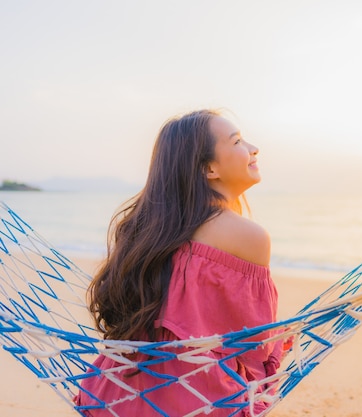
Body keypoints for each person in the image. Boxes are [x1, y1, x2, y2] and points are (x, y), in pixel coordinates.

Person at [74, 110, 285, 416]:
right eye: (238, 141)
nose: (253, 147)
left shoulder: (148, 231)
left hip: (112, 395)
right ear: (209, 169)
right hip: (195, 399)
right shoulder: (248, 236)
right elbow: (254, 348)